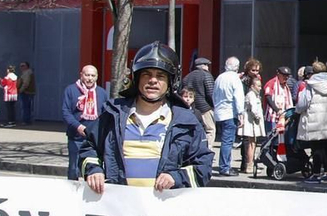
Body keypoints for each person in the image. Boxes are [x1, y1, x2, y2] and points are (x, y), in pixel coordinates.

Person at [81, 42, 211, 193]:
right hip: (118, 209)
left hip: (162, 210)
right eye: (146, 74)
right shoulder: (112, 114)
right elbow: (88, 148)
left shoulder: (186, 121)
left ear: (171, 82)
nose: (153, 80)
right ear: (137, 79)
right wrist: (93, 169)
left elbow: (203, 166)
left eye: (160, 76)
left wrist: (177, 177)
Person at [295, 60, 327, 175]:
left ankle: (316, 173)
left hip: (315, 122)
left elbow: (302, 104)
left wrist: (297, 111)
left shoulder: (310, 85)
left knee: (317, 148)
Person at [60, 65, 102, 180]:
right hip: (76, 138)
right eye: (87, 75)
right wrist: (78, 126)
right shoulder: (71, 90)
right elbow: (66, 112)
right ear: (81, 75)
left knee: (92, 169)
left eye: (93, 75)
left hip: (93, 140)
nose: (90, 78)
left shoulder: (101, 93)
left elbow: (104, 115)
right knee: (74, 169)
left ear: (97, 77)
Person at [212, 57, 245, 178]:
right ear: (237, 67)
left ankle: (224, 166)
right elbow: (238, 98)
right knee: (227, 142)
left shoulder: (220, 77)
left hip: (219, 113)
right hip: (230, 113)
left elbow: (214, 95)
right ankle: (225, 167)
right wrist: (241, 114)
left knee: (223, 141)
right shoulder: (235, 79)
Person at [239, 58, 266, 176]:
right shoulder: (244, 81)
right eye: (253, 70)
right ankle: (247, 164)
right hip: (248, 113)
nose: (255, 72)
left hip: (250, 111)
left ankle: (246, 164)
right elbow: (246, 99)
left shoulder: (256, 80)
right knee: (248, 142)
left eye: (257, 70)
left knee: (250, 142)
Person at [183, 56, 217, 141]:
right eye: (207, 65)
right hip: (205, 108)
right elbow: (210, 93)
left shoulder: (187, 77)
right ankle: (207, 149)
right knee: (210, 130)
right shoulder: (206, 75)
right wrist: (214, 105)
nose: (208, 67)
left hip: (191, 107)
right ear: (204, 65)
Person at [16, 59, 36, 125]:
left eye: (23, 66)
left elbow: (26, 83)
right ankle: (28, 120)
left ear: (27, 66)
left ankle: (26, 120)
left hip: (26, 92)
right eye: (21, 66)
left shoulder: (27, 73)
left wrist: (20, 90)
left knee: (25, 107)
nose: (21, 67)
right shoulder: (28, 73)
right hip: (29, 92)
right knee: (28, 107)